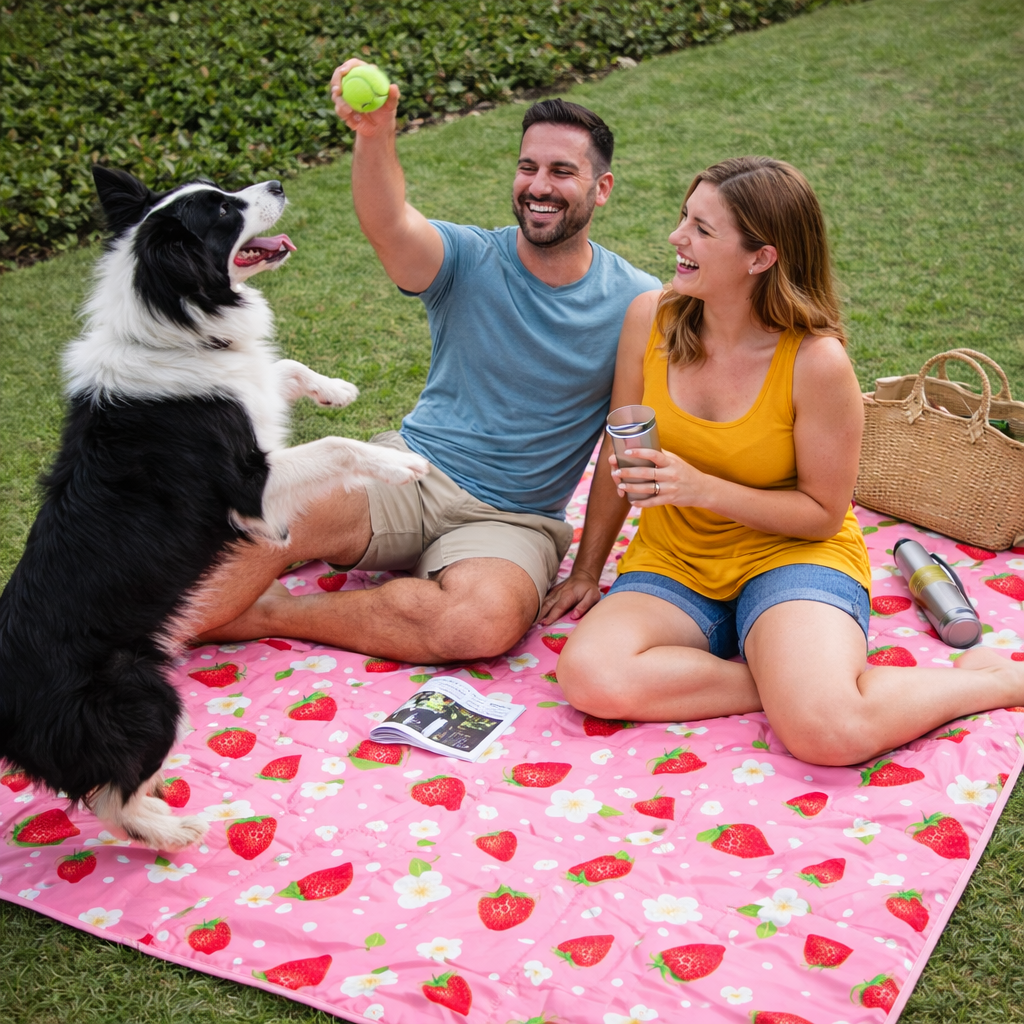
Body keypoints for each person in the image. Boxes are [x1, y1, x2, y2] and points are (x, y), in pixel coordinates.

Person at [555, 156, 1024, 766]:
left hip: (791, 554)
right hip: (676, 559)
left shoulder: (815, 361)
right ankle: (786, 684)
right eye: (683, 218)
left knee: (828, 735)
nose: (677, 238)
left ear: (762, 258)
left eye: (702, 229)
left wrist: (703, 488)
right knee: (592, 678)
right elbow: (623, 451)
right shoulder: (652, 319)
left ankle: (985, 680)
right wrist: (588, 570)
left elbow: (824, 514)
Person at [193, 63, 661, 662]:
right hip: (408, 472)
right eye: (528, 167)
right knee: (249, 525)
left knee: (478, 625)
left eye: (562, 171)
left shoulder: (636, 302)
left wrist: (587, 570)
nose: (539, 185)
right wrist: (375, 133)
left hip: (512, 523)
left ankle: (271, 614)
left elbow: (625, 441)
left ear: (602, 188)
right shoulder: (467, 257)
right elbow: (388, 223)